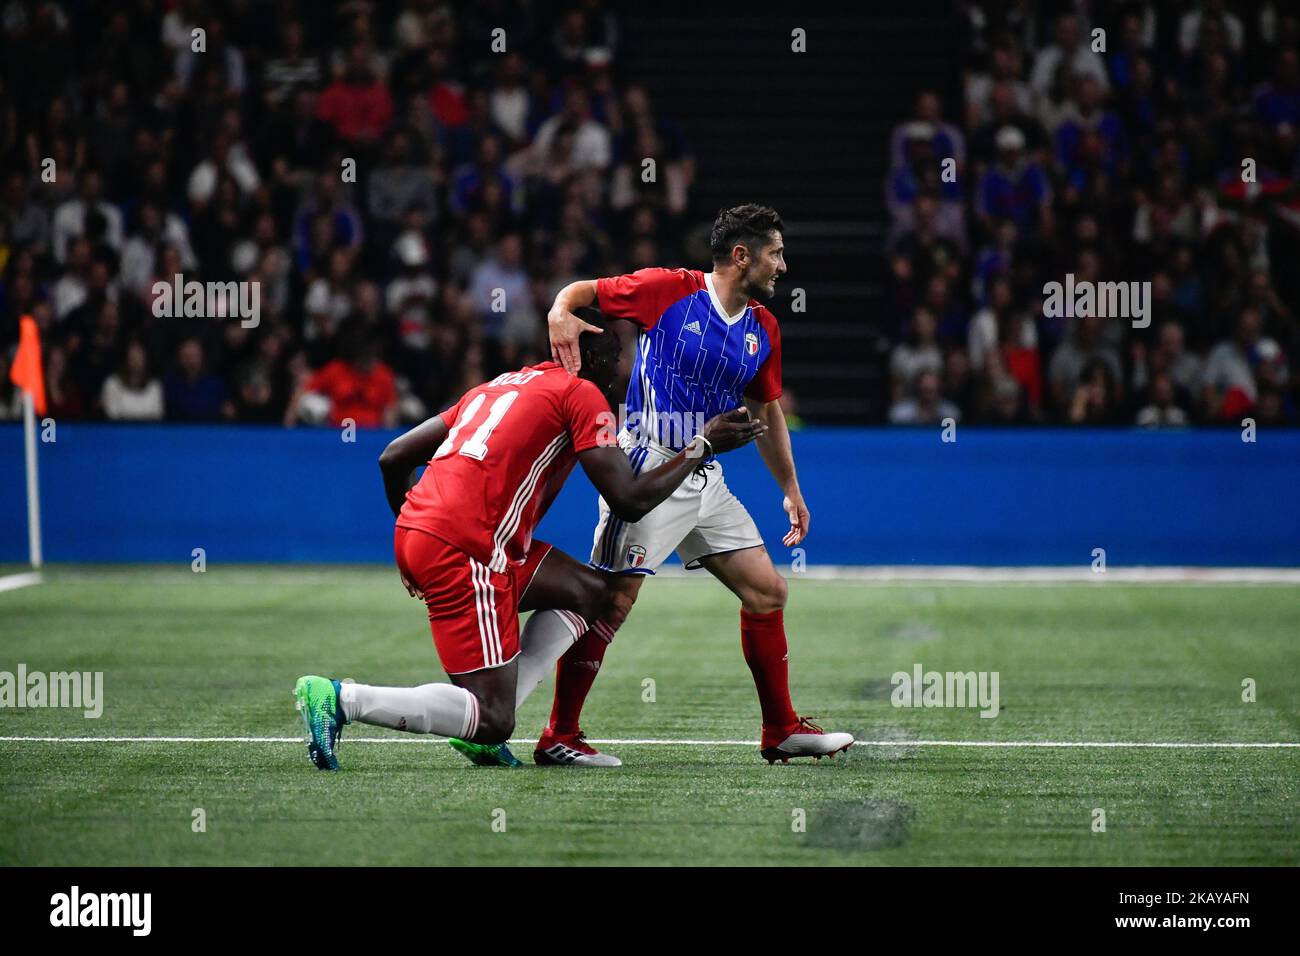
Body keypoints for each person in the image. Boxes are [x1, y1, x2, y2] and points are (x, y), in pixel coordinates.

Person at [293, 320, 765, 770]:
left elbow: (393, 456)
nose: (623, 369)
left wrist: (415, 526)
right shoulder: (582, 392)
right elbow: (629, 499)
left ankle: (488, 734)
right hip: (469, 548)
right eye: (616, 356)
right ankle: (340, 699)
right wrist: (702, 444)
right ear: (589, 357)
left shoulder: (498, 384)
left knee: (592, 593)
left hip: (449, 538)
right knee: (491, 716)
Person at [542, 203, 855, 765]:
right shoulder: (668, 290)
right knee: (612, 600)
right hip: (649, 464)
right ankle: (558, 736)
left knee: (767, 592)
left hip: (706, 474)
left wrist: (791, 489)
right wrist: (561, 310)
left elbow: (766, 410)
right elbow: (581, 290)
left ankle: (780, 730)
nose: (783, 265)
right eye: (776, 253)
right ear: (743, 257)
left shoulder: (763, 328)